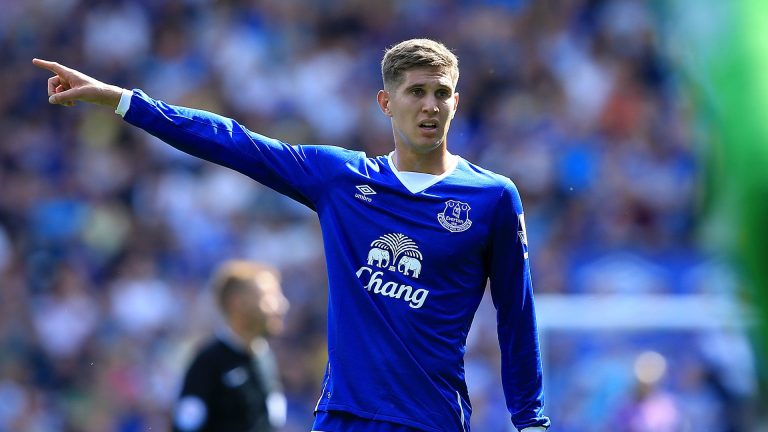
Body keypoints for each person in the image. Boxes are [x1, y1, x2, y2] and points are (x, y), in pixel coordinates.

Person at [33, 38, 550, 431]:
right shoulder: (342, 179)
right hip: (343, 415)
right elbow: (234, 142)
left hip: (430, 419)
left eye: (441, 94)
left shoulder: (492, 198)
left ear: (456, 102)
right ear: (386, 102)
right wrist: (122, 100)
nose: (430, 105)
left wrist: (530, 420)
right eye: (416, 92)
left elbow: (516, 313)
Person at [172, 260, 289, 432]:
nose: (282, 305)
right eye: (269, 296)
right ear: (238, 302)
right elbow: (185, 426)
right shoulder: (208, 363)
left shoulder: (265, 358)